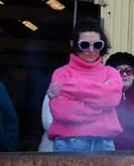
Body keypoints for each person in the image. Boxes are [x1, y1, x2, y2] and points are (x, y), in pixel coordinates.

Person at [47, 20, 122, 153]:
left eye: (97, 45)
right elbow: (62, 111)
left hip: (104, 143)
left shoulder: (111, 72)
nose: (91, 50)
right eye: (85, 45)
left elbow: (112, 98)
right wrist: (100, 105)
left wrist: (68, 88)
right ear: (73, 44)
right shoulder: (61, 73)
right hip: (69, 143)